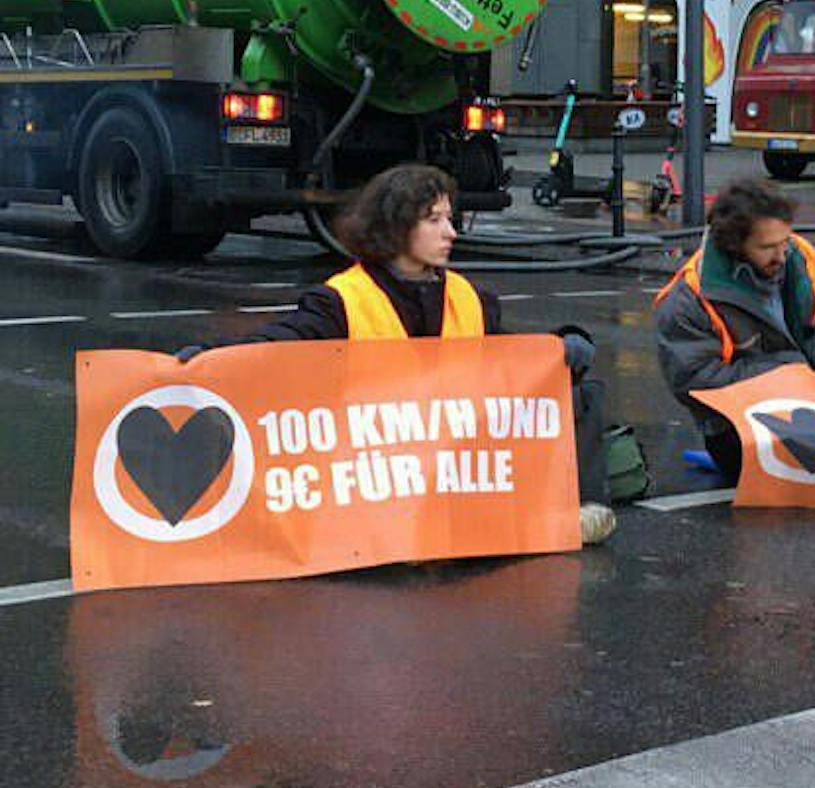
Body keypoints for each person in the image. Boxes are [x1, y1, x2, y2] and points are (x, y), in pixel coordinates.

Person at [178, 164, 620, 543]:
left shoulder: (470, 297)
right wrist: (211, 361)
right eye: (434, 220)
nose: (451, 232)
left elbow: (514, 358)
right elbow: (277, 347)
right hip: (372, 469)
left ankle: (578, 508)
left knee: (578, 390)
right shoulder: (342, 300)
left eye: (450, 218)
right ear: (395, 227)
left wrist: (561, 344)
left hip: (453, 459)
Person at [654, 177, 815, 480]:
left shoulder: (798, 255)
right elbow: (695, 382)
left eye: (783, 242)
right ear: (735, 245)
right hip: (741, 430)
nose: (780, 255)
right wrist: (787, 373)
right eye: (767, 247)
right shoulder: (689, 299)